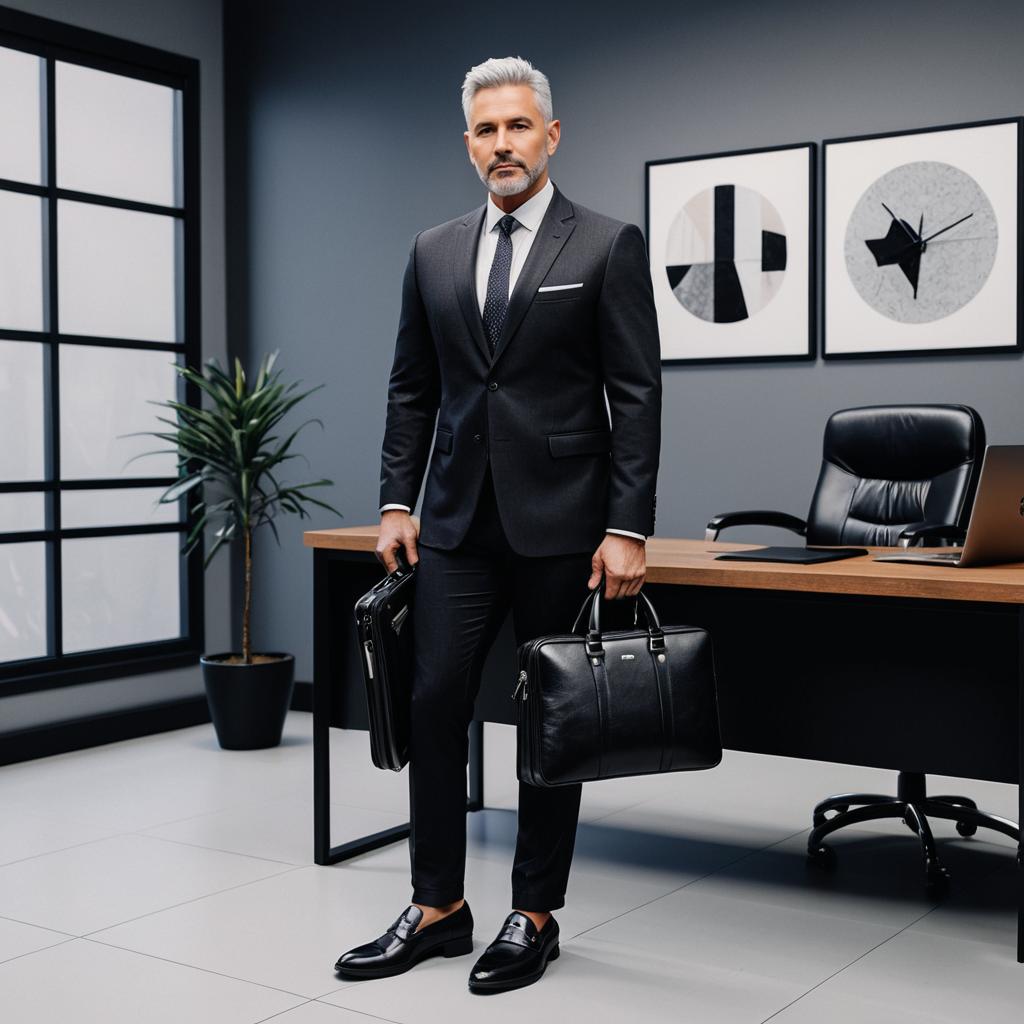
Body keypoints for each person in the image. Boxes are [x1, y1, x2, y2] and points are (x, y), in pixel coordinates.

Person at [334, 55, 661, 994]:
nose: (503, 145)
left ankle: (534, 912)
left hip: (564, 525)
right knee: (433, 702)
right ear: (468, 143)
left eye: (519, 127)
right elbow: (412, 388)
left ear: (549, 137)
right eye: (486, 130)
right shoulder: (432, 250)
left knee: (548, 726)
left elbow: (635, 395)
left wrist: (627, 524)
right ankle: (438, 906)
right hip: (454, 523)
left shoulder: (604, 244)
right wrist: (398, 501)